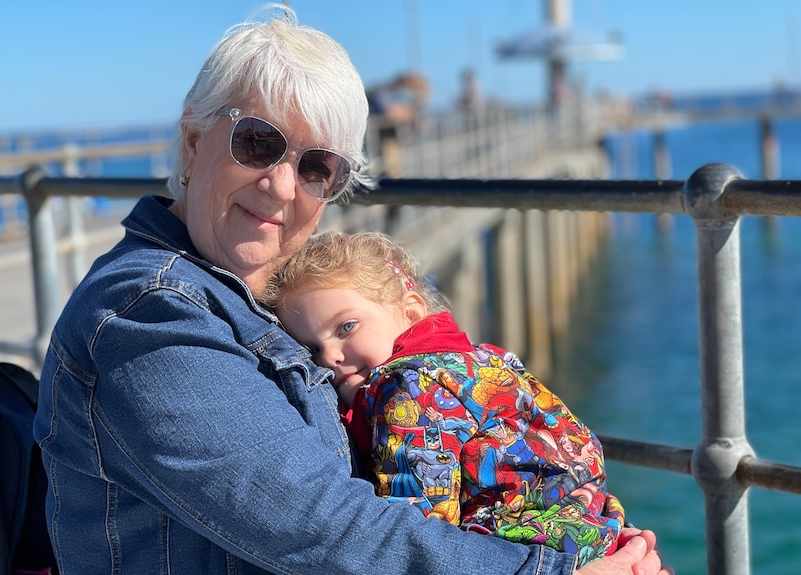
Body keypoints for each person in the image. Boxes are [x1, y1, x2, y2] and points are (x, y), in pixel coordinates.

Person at [33, 4, 670, 574]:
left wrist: (591, 542)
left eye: (318, 167)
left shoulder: (252, 300)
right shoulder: (148, 319)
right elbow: (324, 529)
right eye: (259, 143)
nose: (283, 187)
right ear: (194, 142)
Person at [262, 231, 625, 566]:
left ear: (411, 311)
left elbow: (416, 521)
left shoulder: (406, 389)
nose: (330, 357)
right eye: (312, 347)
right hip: (592, 525)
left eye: (346, 327)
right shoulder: (485, 358)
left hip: (531, 549)